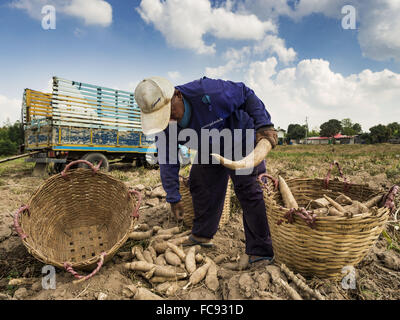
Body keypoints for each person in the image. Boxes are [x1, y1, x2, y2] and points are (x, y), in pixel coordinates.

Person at [134, 76, 278, 263]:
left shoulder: (210, 92)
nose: (168, 120)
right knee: (201, 182)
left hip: (240, 136)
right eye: (160, 117)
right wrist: (173, 196)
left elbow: (245, 94)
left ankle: (261, 251)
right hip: (210, 145)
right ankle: (202, 235)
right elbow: (167, 160)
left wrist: (264, 124)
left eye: (169, 112)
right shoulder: (166, 127)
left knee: (249, 189)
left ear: (177, 95)